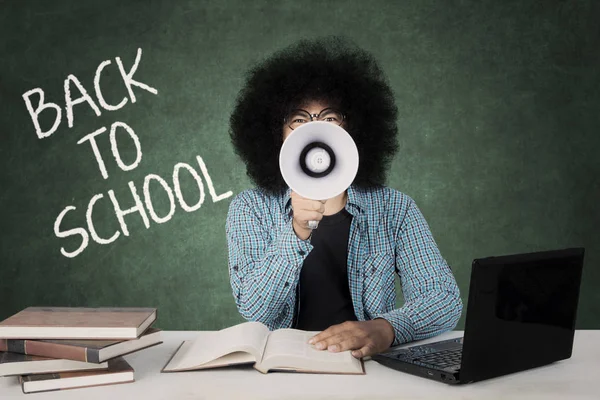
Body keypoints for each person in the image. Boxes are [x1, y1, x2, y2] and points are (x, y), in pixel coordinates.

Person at [226, 36, 462, 359]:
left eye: (330, 117)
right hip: (284, 371)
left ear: (351, 128)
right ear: (276, 133)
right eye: (298, 119)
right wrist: (296, 231)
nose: (315, 129)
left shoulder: (395, 209)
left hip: (369, 368)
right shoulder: (249, 209)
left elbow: (444, 299)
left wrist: (384, 328)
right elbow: (256, 311)